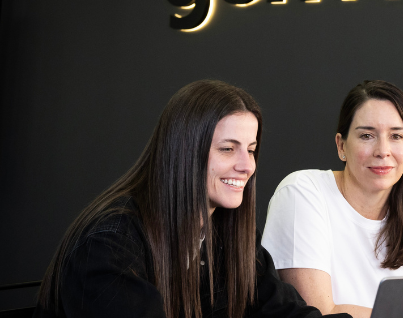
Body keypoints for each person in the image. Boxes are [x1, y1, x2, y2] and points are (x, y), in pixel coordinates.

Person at [35, 80, 348, 318]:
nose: (246, 165)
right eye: (228, 148)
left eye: (251, 149)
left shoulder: (229, 237)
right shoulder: (111, 241)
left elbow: (288, 315)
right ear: (184, 151)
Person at [261, 80, 403, 318]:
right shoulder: (302, 192)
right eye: (367, 135)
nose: (383, 151)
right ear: (341, 145)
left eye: (396, 136)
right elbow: (320, 312)